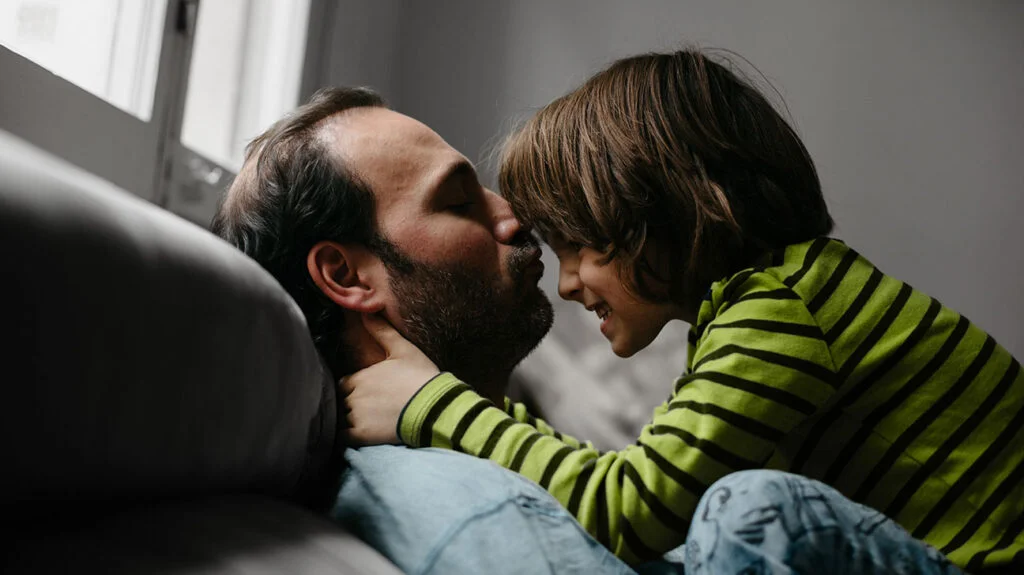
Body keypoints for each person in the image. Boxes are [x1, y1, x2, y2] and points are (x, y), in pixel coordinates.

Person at [342, 49, 1023, 573]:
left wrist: (434, 405)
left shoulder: (780, 310)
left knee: (749, 511)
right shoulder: (766, 305)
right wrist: (465, 405)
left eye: (579, 245)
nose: (569, 282)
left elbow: (630, 505)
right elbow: (640, 483)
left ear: (664, 215)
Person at [211, 87, 634, 574]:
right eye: (458, 202)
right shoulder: (477, 513)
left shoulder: (522, 455)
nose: (517, 221)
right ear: (347, 276)